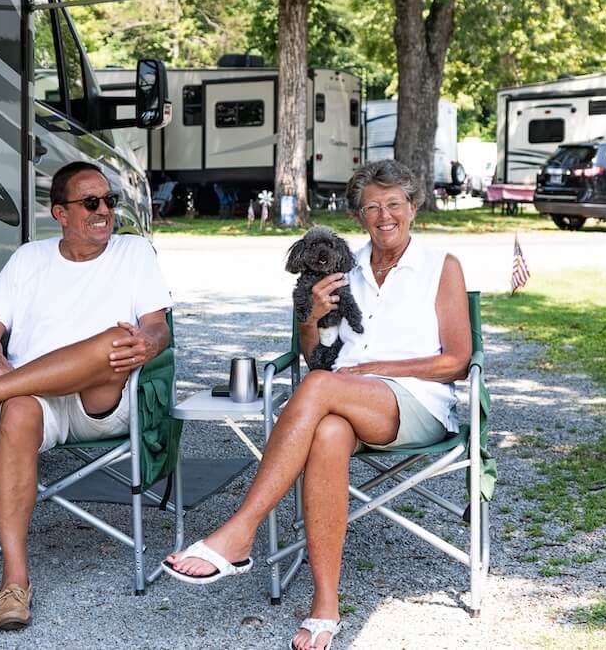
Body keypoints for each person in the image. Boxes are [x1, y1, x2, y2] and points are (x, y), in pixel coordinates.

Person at [162, 159, 471, 650]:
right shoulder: (343, 267)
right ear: (359, 217)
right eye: (372, 207)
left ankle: (241, 530)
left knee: (322, 387)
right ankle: (325, 606)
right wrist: (313, 318)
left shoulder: (441, 265)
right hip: (344, 400)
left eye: (394, 204)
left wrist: (376, 371)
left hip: (417, 402)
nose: (384, 215)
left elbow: (457, 360)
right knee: (326, 430)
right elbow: (313, 356)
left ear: (413, 207)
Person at [0, 161, 172, 631]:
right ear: (60, 214)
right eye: (90, 203)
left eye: (109, 201)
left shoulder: (134, 252)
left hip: (101, 400)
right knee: (17, 410)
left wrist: (147, 344)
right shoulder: (30, 258)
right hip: (36, 403)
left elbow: (156, 327)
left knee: (113, 342)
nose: (104, 211)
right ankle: (14, 581)